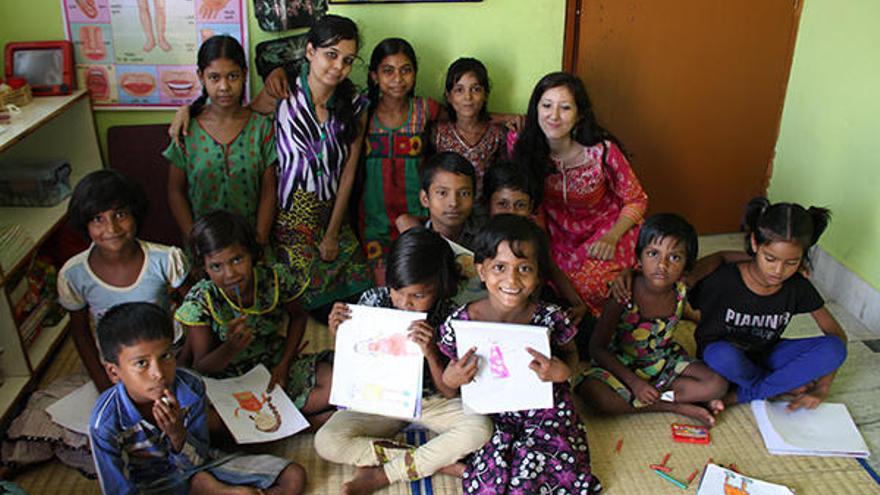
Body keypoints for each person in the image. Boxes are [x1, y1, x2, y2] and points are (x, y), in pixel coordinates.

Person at [170, 15, 372, 318]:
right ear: (309, 51)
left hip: (333, 217)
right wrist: (188, 108)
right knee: (311, 308)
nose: (338, 67)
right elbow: (235, 113)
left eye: (348, 60)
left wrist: (332, 233)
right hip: (289, 222)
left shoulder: (355, 104)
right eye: (331, 55)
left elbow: (349, 172)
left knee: (364, 300)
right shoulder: (282, 92)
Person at [315, 228, 492, 495]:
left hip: (432, 401)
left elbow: (448, 390)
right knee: (326, 441)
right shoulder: (374, 301)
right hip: (380, 400)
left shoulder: (451, 315)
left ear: (440, 287)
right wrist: (340, 333)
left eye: (418, 296)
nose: (405, 303)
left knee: (480, 429)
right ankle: (437, 463)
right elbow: (358, 368)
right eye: (398, 290)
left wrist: (431, 351)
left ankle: (385, 475)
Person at [437, 215, 601, 495]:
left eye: (524, 268)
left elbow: (572, 355)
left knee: (551, 471)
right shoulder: (461, 323)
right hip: (490, 412)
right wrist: (451, 379)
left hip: (543, 410)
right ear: (481, 271)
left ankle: (468, 468)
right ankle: (470, 468)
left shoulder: (550, 317)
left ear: (538, 275)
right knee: (496, 472)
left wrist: (563, 372)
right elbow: (447, 384)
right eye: (499, 267)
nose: (511, 279)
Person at [90, 302, 306, 494]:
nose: (158, 373)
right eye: (141, 364)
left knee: (293, 476)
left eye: (165, 356)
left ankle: (203, 485)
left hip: (199, 465)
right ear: (114, 372)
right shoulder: (105, 422)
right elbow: (117, 488)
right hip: (149, 485)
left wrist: (177, 435)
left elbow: (200, 457)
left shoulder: (189, 388)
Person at [174, 210, 335, 427]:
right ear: (204, 267)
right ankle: (306, 422)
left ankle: (278, 423)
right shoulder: (202, 301)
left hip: (272, 364)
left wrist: (285, 363)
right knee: (208, 422)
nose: (230, 273)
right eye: (216, 266)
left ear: (252, 254)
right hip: (226, 380)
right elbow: (202, 366)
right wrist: (231, 347)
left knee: (334, 382)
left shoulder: (274, 279)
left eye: (237, 259)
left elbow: (298, 317)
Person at [691, 198, 847, 410]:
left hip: (768, 352)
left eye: (791, 262)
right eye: (770, 259)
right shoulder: (723, 280)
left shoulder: (797, 286)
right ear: (754, 243)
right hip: (725, 357)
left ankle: (740, 395)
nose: (779, 271)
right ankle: (778, 386)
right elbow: (681, 302)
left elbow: (836, 335)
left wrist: (822, 389)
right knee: (721, 356)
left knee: (834, 349)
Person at [513, 71, 648, 317]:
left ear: (579, 114)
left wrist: (612, 237)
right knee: (535, 283)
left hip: (606, 230)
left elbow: (636, 199)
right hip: (553, 237)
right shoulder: (521, 144)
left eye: (565, 108)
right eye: (546, 106)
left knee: (593, 285)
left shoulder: (602, 151)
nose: (553, 116)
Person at [575, 213, 728, 426]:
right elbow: (597, 348)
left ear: (686, 266)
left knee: (716, 384)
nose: (662, 265)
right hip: (621, 364)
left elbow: (719, 258)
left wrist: (757, 257)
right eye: (653, 253)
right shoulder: (623, 293)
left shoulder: (681, 288)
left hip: (662, 360)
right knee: (593, 393)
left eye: (674, 257)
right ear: (639, 258)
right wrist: (635, 383)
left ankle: (654, 396)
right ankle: (673, 406)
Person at [58, 170, 188, 391]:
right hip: (117, 369)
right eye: (98, 219)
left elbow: (196, 312)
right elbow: (80, 333)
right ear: (85, 224)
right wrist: (104, 384)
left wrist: (181, 365)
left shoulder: (167, 259)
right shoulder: (74, 274)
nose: (112, 228)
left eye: (120, 214)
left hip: (168, 359)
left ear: (135, 214)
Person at [164, 35, 278, 247]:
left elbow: (268, 190)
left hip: (251, 243)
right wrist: (194, 241)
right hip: (204, 247)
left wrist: (260, 240)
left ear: (244, 75)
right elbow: (175, 191)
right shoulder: (187, 129)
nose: (224, 86)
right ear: (201, 77)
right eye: (214, 78)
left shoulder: (261, 128)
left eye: (232, 76)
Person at [358, 38, 442, 285]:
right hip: (374, 222)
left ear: (415, 74)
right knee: (384, 290)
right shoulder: (362, 112)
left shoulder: (425, 109)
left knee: (417, 286)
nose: (398, 78)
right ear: (374, 76)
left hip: (417, 217)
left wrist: (511, 118)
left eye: (406, 70)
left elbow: (466, 116)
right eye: (388, 71)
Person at [432, 57, 508, 201]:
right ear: (448, 96)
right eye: (459, 90)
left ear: (486, 95)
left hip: (485, 211)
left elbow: (502, 179)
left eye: (476, 89)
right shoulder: (438, 133)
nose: (468, 97)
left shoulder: (497, 134)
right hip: (449, 208)